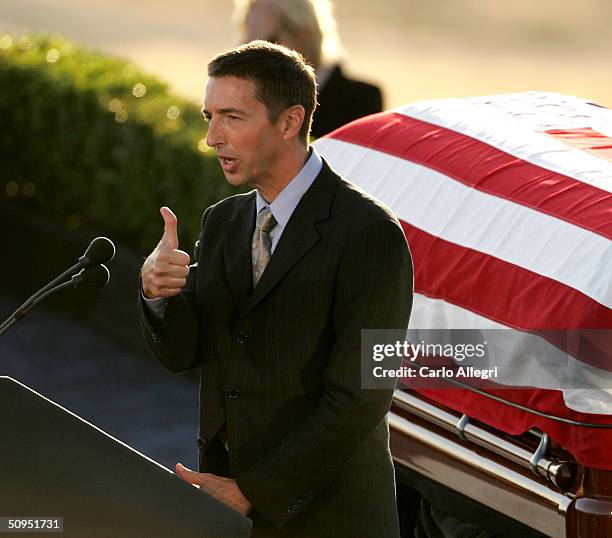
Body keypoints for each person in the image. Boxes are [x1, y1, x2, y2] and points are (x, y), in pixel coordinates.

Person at [138, 40, 413, 538]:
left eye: (231, 117)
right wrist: (159, 293)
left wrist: (255, 492)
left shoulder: (371, 233)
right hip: (230, 507)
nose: (210, 137)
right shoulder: (223, 222)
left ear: (289, 122)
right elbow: (184, 354)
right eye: (208, 116)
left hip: (333, 519)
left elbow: (360, 398)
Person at [234, 0, 383, 138]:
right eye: (252, 43)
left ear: (304, 31)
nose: (266, 53)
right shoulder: (250, 98)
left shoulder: (361, 99)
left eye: (270, 40)